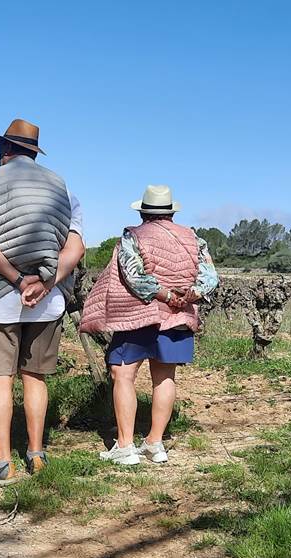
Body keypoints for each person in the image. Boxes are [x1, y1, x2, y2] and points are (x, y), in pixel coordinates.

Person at [0, 119, 85, 486]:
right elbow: (75, 247)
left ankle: (1, 463)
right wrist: (45, 281)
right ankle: (36, 455)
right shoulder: (63, 188)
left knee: (1, 379)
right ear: (34, 152)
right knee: (35, 378)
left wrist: (16, 279)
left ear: (5, 150)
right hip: (48, 301)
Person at [79, 185, 220, 465]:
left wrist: (165, 295)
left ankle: (125, 446)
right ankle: (155, 444)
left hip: (140, 316)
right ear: (171, 212)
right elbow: (209, 276)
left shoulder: (134, 235)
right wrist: (188, 296)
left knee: (122, 373)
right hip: (178, 318)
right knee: (165, 377)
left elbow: (134, 276)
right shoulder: (194, 239)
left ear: (143, 211)